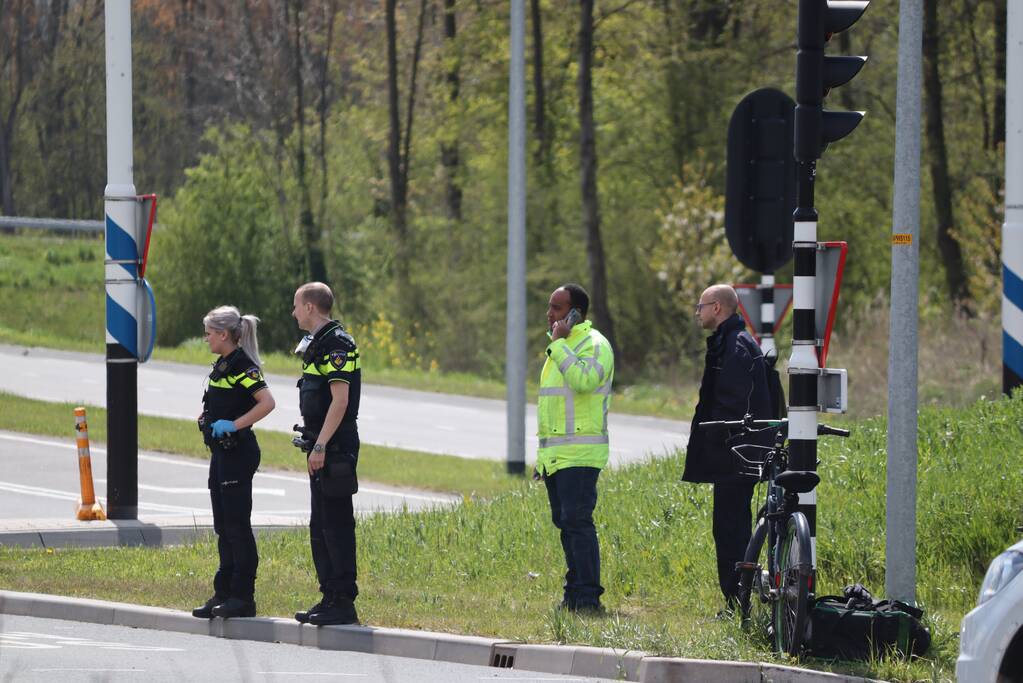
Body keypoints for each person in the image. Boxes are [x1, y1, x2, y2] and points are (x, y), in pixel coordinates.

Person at [681, 284, 773, 612]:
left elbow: (733, 406)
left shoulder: (736, 346)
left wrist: (716, 441)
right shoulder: (732, 342)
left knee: (730, 529)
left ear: (717, 308)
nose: (698, 311)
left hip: (736, 458)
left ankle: (738, 603)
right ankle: (737, 600)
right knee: (731, 527)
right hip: (735, 457)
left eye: (701, 305)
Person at [534, 283, 614, 613]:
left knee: (578, 523)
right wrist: (542, 458)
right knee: (566, 524)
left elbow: (583, 381)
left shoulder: (594, 345)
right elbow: (551, 411)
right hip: (557, 456)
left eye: (557, 307)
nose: (549, 313)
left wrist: (560, 346)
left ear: (575, 312)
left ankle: (587, 597)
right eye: (550, 307)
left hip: (581, 455)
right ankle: (574, 592)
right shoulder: (561, 347)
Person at [192, 306, 276, 619]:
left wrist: (234, 424)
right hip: (222, 455)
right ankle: (223, 591)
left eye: (209, 333)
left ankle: (243, 597)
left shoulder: (243, 365)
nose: (206, 339)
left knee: (237, 526)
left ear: (224, 335)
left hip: (238, 454)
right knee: (222, 525)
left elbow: (267, 402)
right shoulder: (223, 365)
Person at [291, 282, 361, 626]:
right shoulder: (318, 343)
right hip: (320, 444)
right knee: (320, 525)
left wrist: (321, 446)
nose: (293, 313)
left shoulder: (336, 343)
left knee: (335, 524)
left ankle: (343, 600)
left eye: (296, 306)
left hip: (334, 446)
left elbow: (341, 400)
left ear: (310, 308)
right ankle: (329, 596)